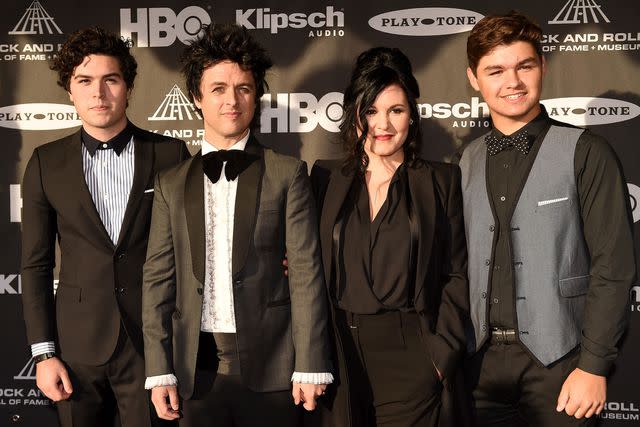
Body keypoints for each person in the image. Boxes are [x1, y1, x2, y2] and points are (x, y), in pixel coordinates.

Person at [141, 23, 333, 427]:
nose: (232, 100)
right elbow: (158, 279)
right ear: (197, 97)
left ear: (256, 96)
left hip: (274, 369)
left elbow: (305, 272)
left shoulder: (288, 173)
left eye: (243, 88)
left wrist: (311, 363)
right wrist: (159, 370)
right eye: (218, 89)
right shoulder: (170, 184)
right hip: (195, 370)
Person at [459, 11, 637, 426]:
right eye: (496, 70)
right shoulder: (466, 160)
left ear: (543, 66)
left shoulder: (587, 151)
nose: (512, 82)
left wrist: (593, 366)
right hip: (479, 367)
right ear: (474, 79)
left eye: (524, 65)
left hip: (561, 364)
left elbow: (613, 266)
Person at [20, 27, 190, 427]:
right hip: (76, 348)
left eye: (110, 80)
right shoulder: (46, 162)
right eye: (85, 81)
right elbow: (35, 266)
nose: (98, 93)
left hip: (152, 345)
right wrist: (45, 355)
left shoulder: (169, 153)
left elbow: (190, 247)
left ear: (128, 87)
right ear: (70, 91)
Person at [309, 47, 469, 426]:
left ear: (412, 116)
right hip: (339, 355)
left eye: (396, 110)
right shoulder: (324, 178)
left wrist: (440, 356)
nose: (383, 124)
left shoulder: (440, 181)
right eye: (371, 111)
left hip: (411, 355)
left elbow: (457, 273)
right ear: (355, 116)